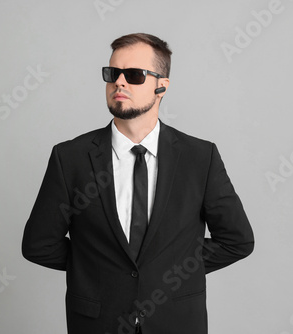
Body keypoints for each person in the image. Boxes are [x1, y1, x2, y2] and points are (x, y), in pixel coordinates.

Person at [22, 33, 254, 334]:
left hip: (177, 321)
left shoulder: (200, 158)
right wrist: (97, 271)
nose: (119, 82)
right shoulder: (71, 158)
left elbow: (237, 241)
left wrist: (172, 271)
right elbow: (38, 245)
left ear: (161, 86)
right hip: (97, 323)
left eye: (133, 75)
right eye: (112, 73)